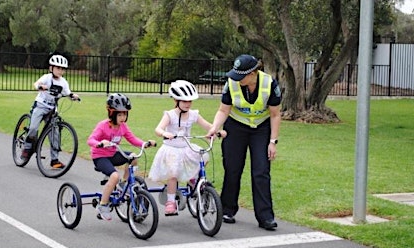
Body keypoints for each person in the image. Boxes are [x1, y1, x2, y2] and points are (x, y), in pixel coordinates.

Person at [206, 54, 282, 231]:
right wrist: (214, 127)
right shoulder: (232, 83)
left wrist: (273, 142)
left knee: (261, 171)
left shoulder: (270, 84)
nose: (237, 79)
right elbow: (223, 110)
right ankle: (227, 209)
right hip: (235, 127)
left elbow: (275, 114)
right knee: (232, 168)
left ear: (254, 73)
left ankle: (265, 217)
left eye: (242, 75)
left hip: (261, 129)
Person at [149, 80, 225, 216]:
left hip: (186, 147)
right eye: (184, 101)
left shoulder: (193, 114)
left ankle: (192, 179)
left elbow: (208, 126)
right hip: (171, 149)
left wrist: (217, 131)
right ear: (176, 100)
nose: (188, 104)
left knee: (203, 157)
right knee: (173, 174)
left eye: (190, 101)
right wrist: (165, 133)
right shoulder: (170, 115)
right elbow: (158, 129)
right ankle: (171, 202)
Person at [87, 93, 156, 221]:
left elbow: (132, 138)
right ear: (111, 113)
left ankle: (124, 184)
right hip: (100, 157)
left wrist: (144, 143)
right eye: (119, 114)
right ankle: (103, 205)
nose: (123, 117)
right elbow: (90, 140)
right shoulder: (103, 125)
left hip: (113, 154)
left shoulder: (123, 126)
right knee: (114, 176)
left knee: (133, 157)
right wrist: (100, 143)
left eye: (125, 114)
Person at [21, 54, 80, 169]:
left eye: (62, 69)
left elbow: (67, 93)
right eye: (58, 68)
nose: (60, 71)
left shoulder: (63, 82)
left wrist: (73, 96)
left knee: (55, 133)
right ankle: (27, 148)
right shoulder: (47, 77)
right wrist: (40, 86)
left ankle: (54, 160)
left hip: (52, 109)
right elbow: (36, 84)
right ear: (51, 68)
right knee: (33, 128)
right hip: (41, 105)